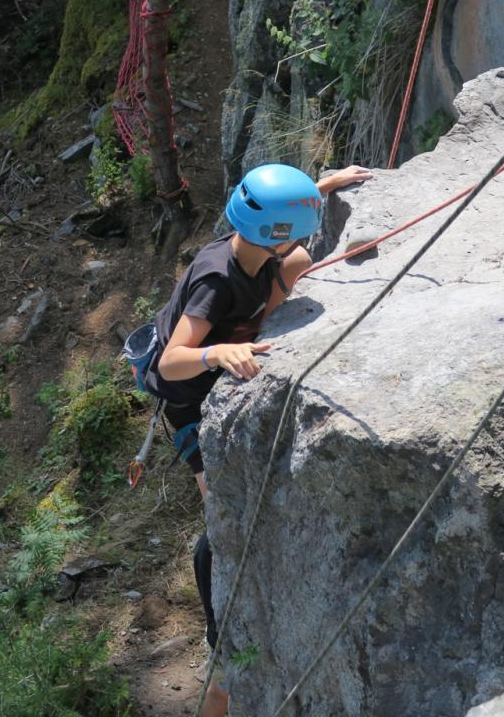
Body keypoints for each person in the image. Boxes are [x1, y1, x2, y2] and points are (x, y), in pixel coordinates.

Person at [154, 162, 372, 716]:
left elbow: (282, 231)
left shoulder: (253, 246)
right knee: (221, 521)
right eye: (300, 220)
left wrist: (318, 188)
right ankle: (218, 643)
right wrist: (216, 353)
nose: (304, 235)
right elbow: (171, 360)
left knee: (300, 263)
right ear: (275, 230)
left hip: (229, 331)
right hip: (190, 401)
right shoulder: (215, 280)